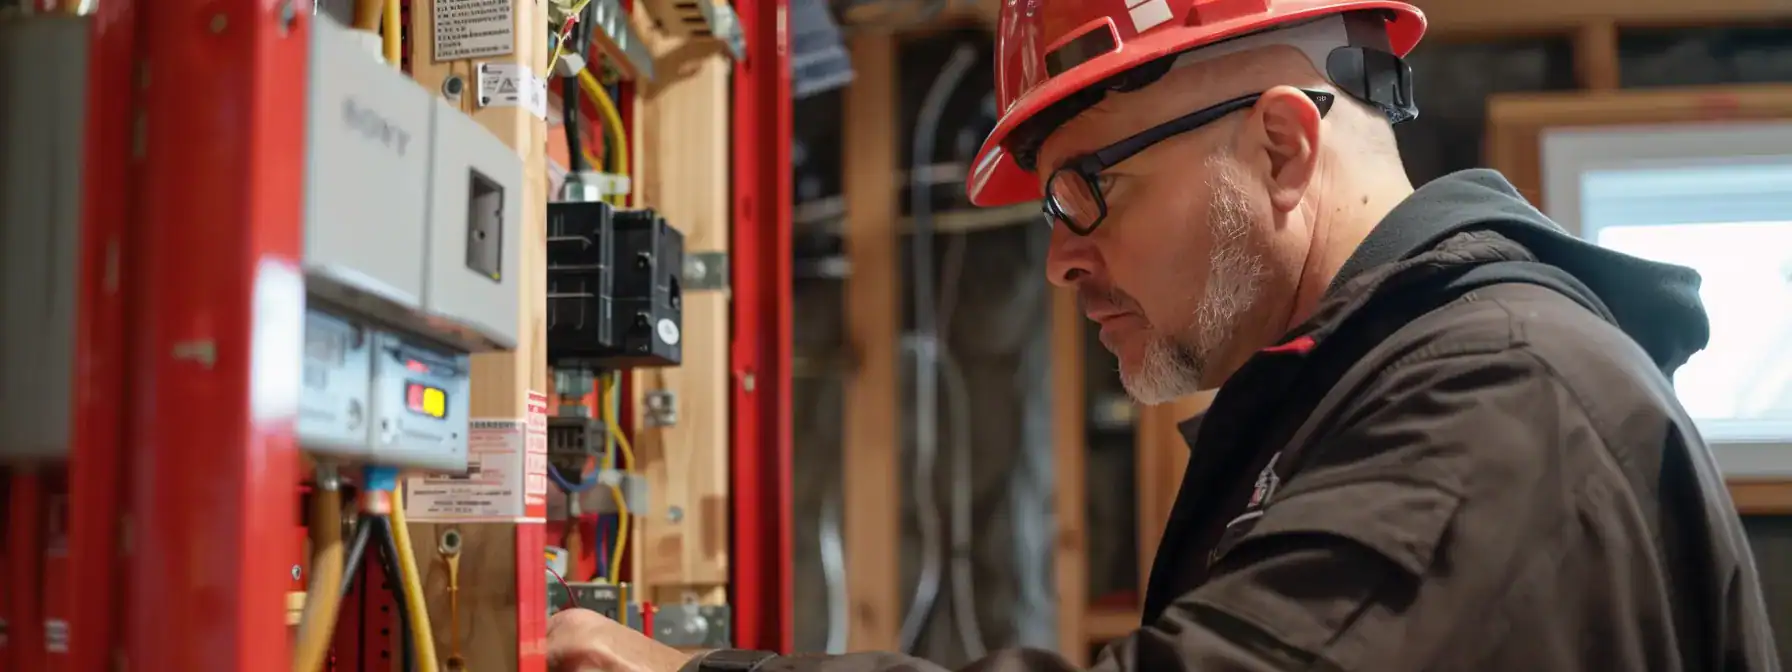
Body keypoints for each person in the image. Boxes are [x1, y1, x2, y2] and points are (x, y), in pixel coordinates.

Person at [548, 0, 1784, 669]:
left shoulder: (1499, 406)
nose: (1057, 254)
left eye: (1090, 186)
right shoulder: (1376, 391)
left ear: (1283, 145)